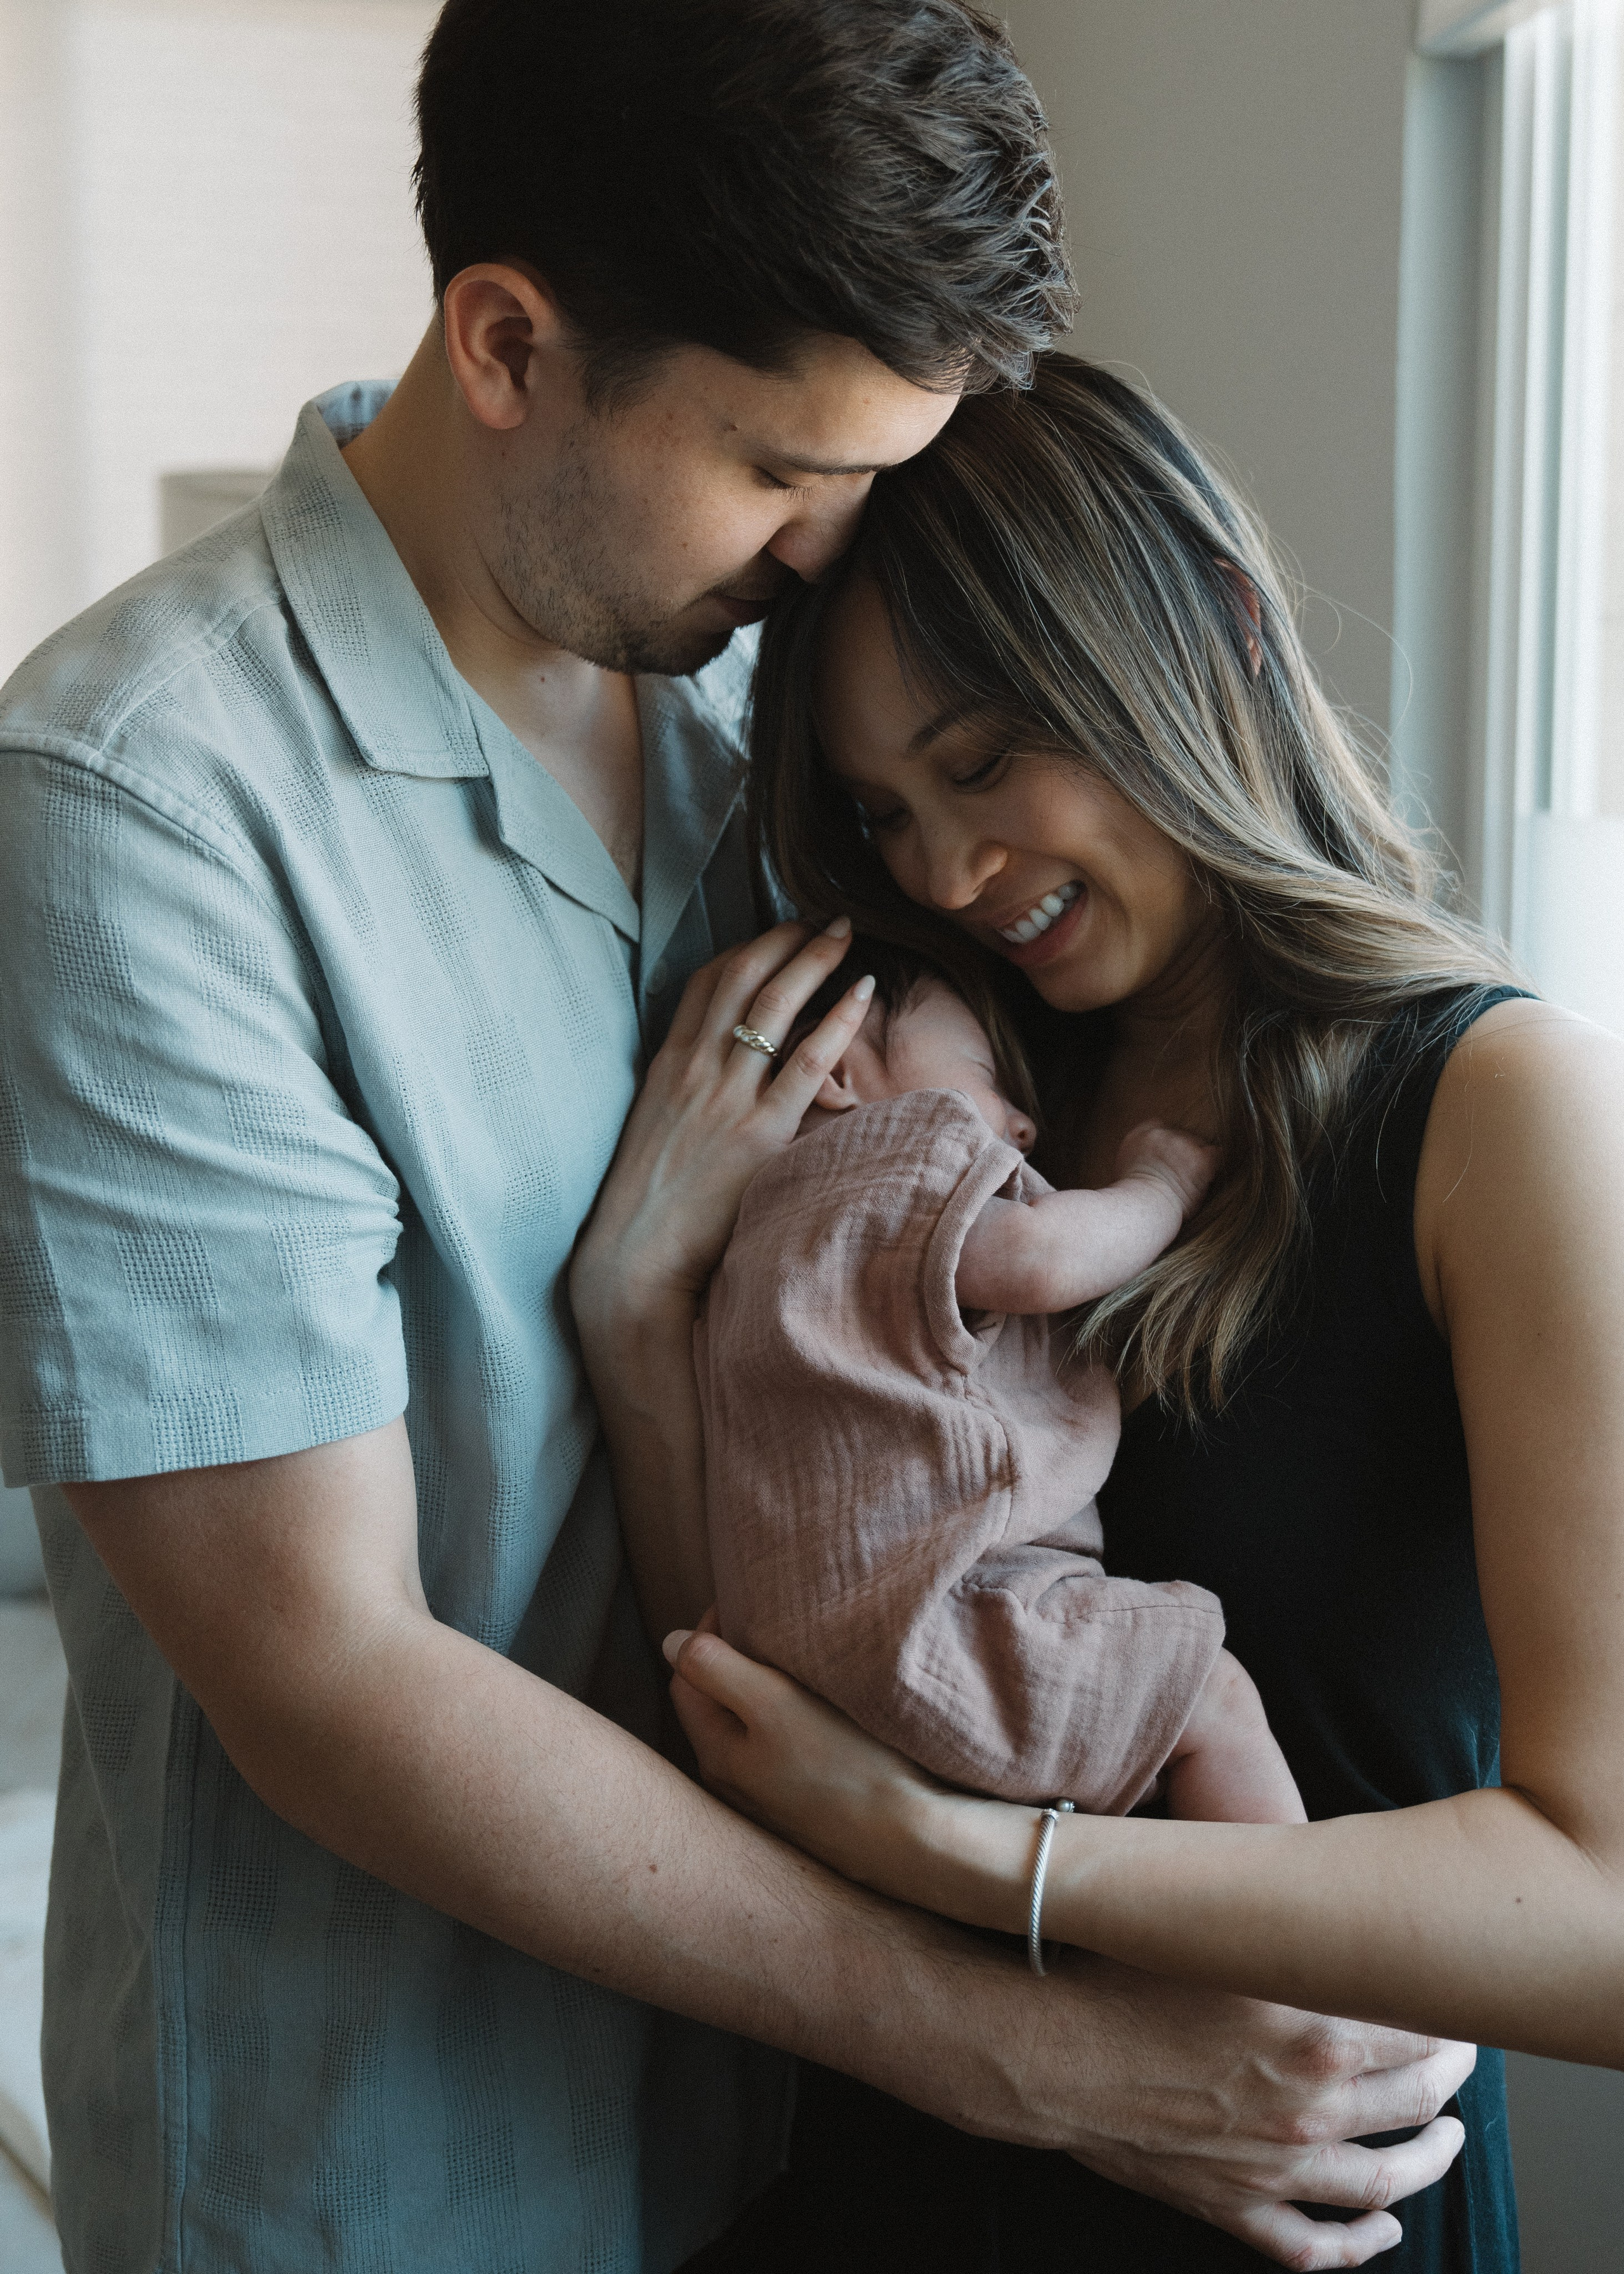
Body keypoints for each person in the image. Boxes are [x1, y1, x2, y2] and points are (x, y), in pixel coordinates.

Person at [0, 9, 1472, 2271]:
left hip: (800, 2147)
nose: (835, 547)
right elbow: (327, 1676)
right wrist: (1049, 2057)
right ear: (509, 345)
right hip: (393, 2165)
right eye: (785, 466)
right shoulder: (147, 808)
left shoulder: (788, 717)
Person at [577, 353, 1624, 2271]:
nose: (949, 871)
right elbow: (749, 1685)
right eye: (884, 811)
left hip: (1306, 2212)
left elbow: (1603, 1915)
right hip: (904, 2174)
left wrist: (972, 1855)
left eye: (984, 763)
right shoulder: (944, 1100)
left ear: (1215, 626)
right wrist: (642, 1314)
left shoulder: (1504, 1114)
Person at [699, 939, 1308, 1825]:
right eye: (985, 1074)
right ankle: (1283, 1916)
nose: (1023, 1125)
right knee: (1213, 1697)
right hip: (937, 1620)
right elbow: (1038, 1256)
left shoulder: (755, 1240)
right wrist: (1162, 1186)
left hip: (808, 1661)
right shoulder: (889, 1161)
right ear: (836, 1073)